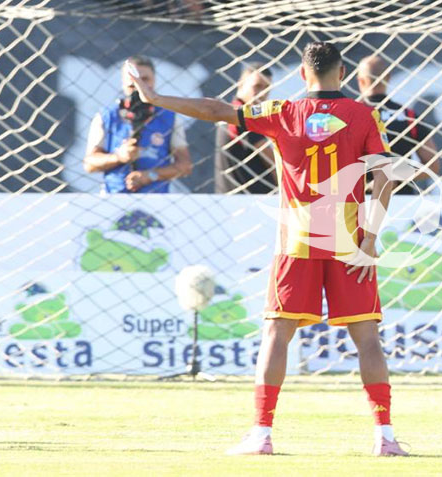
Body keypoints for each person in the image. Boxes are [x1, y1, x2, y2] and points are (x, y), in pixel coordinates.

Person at [124, 41, 406, 456]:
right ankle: (385, 437)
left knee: (277, 334)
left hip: (298, 242)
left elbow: (216, 110)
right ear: (343, 73)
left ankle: (261, 434)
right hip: (349, 243)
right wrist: (370, 236)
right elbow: (385, 177)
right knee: (366, 337)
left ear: (302, 75)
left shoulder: (282, 112)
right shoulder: (365, 115)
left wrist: (156, 98)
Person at [82, 55, 191, 193]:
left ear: (154, 80)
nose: (140, 87)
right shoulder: (106, 117)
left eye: (145, 79)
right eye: (133, 82)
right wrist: (118, 157)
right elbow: (89, 163)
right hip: (114, 196)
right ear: (123, 83)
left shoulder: (169, 118)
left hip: (156, 199)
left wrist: (150, 176)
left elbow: (185, 166)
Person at [357, 55, 440, 195]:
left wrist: (371, 183)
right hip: (402, 200)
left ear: (361, 80)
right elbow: (432, 166)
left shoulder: (349, 117)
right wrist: (395, 176)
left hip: (361, 200)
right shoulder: (409, 116)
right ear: (388, 77)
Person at [215, 62, 277, 194]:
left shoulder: (232, 111)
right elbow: (273, 161)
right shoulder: (240, 114)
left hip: (238, 197)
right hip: (249, 198)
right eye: (257, 86)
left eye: (267, 87)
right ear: (241, 84)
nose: (262, 93)